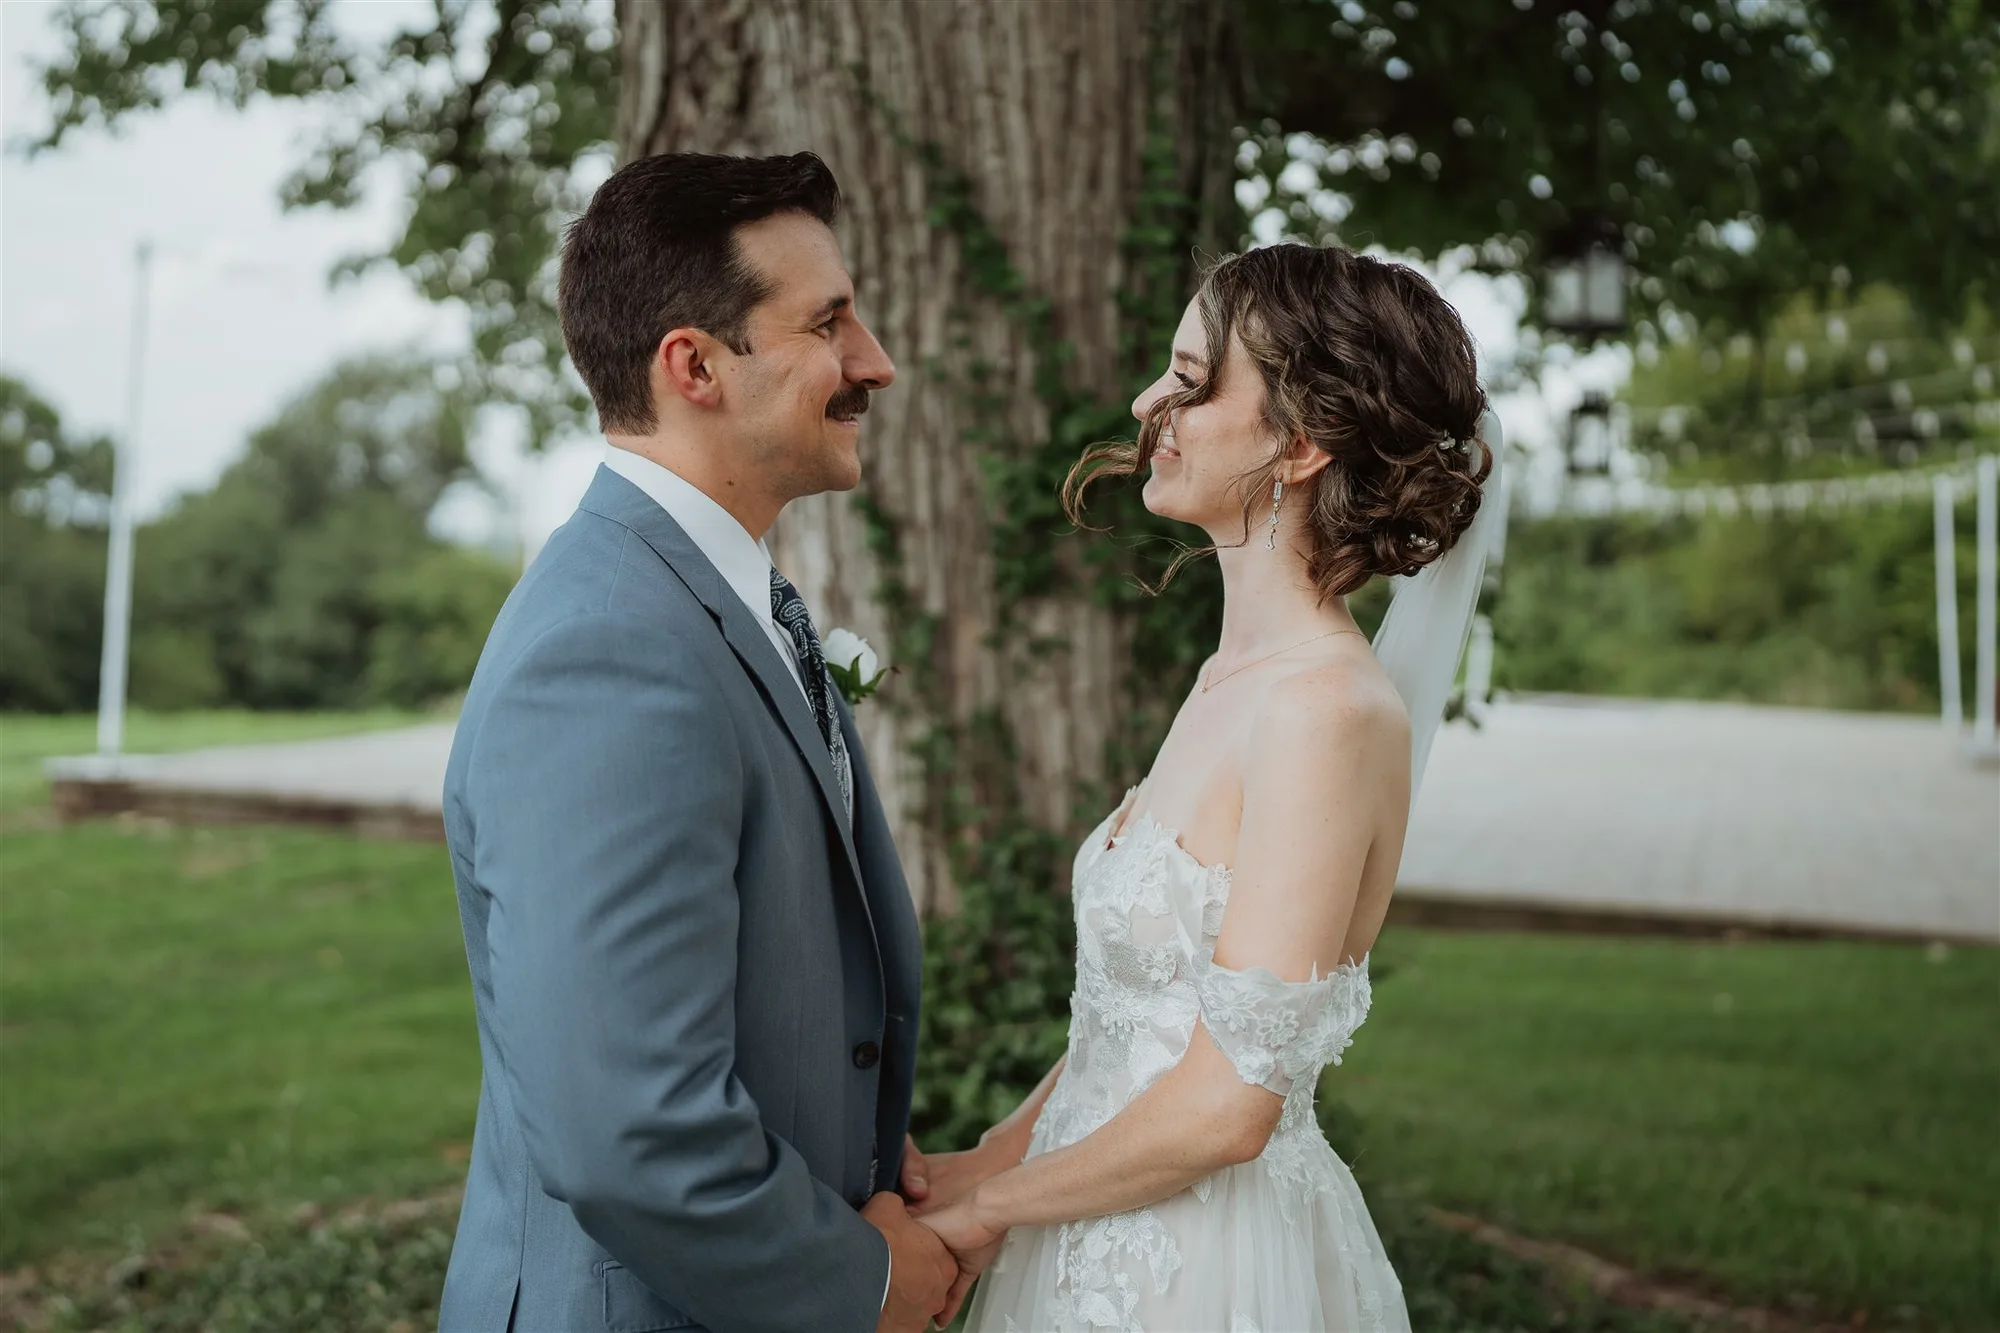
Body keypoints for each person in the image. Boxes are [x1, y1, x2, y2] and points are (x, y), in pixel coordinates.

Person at [914, 242, 1504, 1332]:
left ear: (1301, 443)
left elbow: (1230, 1102)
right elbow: (1141, 1022)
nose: (1150, 404)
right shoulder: (1227, 678)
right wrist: (986, 1158)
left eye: (1190, 381)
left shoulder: (1324, 710)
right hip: (1087, 1215)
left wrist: (987, 1213)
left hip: (1203, 1269)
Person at [435, 151, 959, 1333]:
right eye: (829, 323)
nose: (873, 361)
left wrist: (843, 1129)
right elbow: (627, 1123)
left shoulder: (703, 602)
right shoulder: (608, 653)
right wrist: (858, 1281)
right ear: (695, 366)